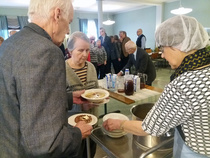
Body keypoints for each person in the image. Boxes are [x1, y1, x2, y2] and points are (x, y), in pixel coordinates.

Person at [103, 15, 210, 158]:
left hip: (195, 151)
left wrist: (120, 124)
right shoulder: (204, 67)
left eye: (163, 49)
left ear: (178, 46)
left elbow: (149, 127)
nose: (162, 55)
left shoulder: (183, 84)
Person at [0, 0, 93, 157]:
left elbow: (22, 98)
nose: (68, 29)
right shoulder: (47, 52)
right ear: (57, 15)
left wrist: (68, 97)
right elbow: (46, 144)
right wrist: (78, 132)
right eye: (69, 22)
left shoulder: (9, 44)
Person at [66, 31, 99, 158]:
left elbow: (96, 90)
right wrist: (80, 106)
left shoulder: (91, 67)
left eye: (87, 50)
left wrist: (100, 99)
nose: (85, 54)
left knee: (91, 152)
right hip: (73, 128)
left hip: (93, 123)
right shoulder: (62, 70)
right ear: (70, 51)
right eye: (80, 50)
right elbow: (58, 101)